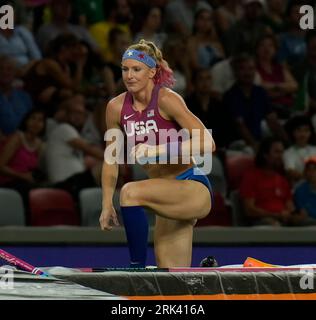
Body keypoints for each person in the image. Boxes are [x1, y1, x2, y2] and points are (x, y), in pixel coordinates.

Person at [99, 39, 215, 268]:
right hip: (164, 194)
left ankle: (136, 269)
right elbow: (111, 159)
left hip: (191, 185)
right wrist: (106, 203)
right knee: (174, 279)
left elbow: (207, 143)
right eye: (125, 69)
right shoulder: (115, 107)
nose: (129, 75)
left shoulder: (166, 99)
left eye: (136, 69)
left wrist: (156, 151)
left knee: (130, 192)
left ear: (152, 72)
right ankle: (205, 277)